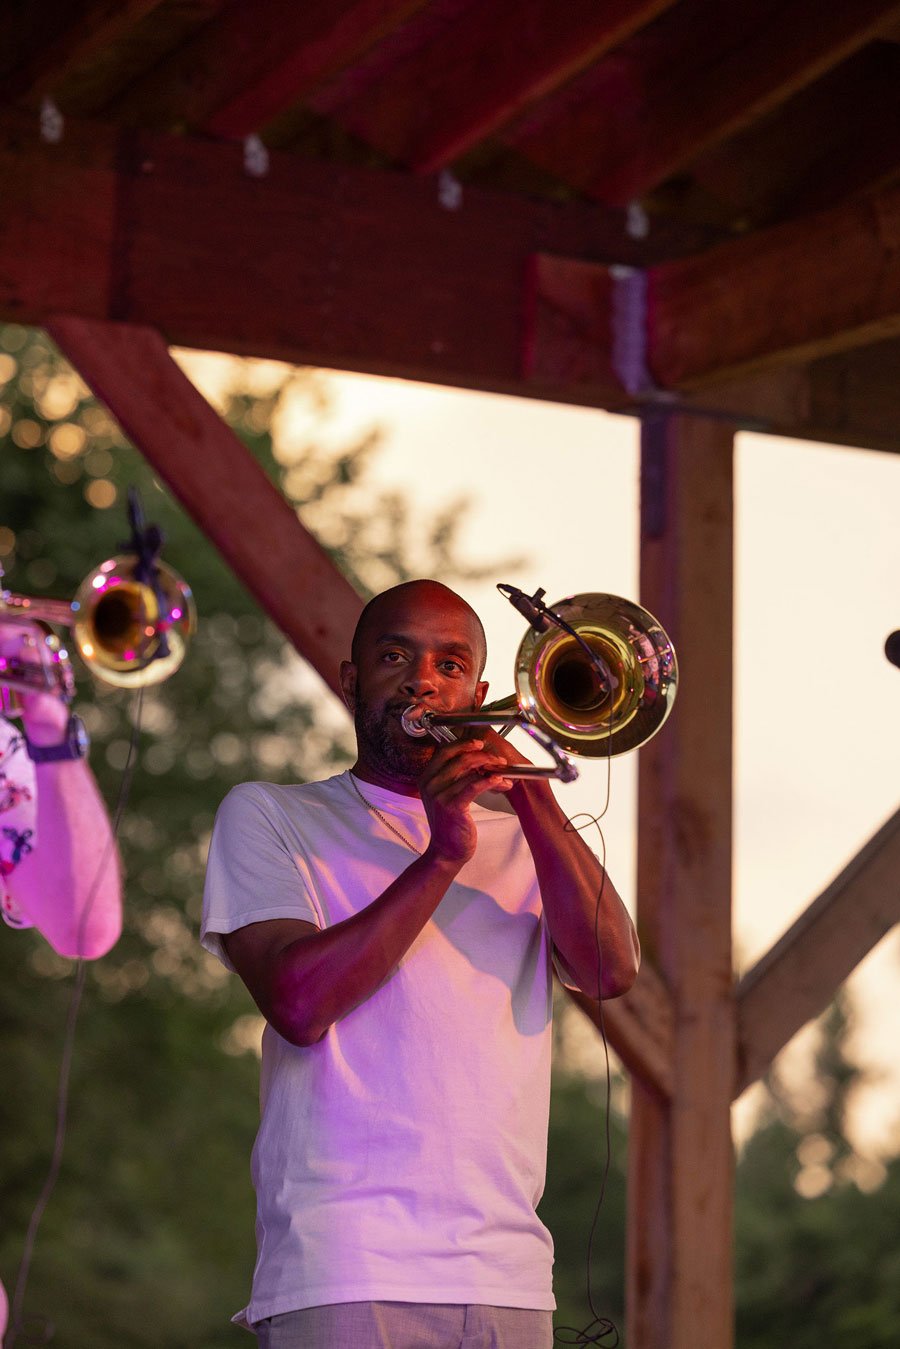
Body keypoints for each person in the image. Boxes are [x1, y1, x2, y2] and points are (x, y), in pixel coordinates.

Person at [201, 579, 639, 1349]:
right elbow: (298, 1004)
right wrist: (442, 854)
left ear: (482, 690)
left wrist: (529, 798)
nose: (422, 680)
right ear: (349, 680)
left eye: (449, 663)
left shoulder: (527, 836)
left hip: (505, 1274)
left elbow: (611, 970)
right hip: (342, 1266)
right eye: (395, 655)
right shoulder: (272, 814)